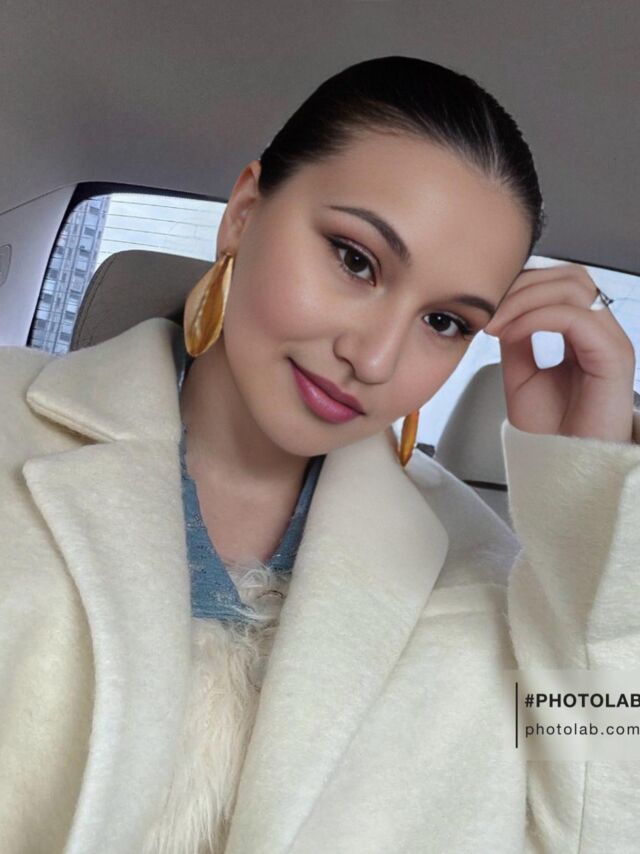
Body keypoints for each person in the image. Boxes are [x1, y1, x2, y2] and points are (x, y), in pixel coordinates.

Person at [0, 55, 638, 854]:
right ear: (244, 212)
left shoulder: (487, 576)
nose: (375, 357)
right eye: (355, 259)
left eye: (444, 322)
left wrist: (588, 497)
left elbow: (599, 827)